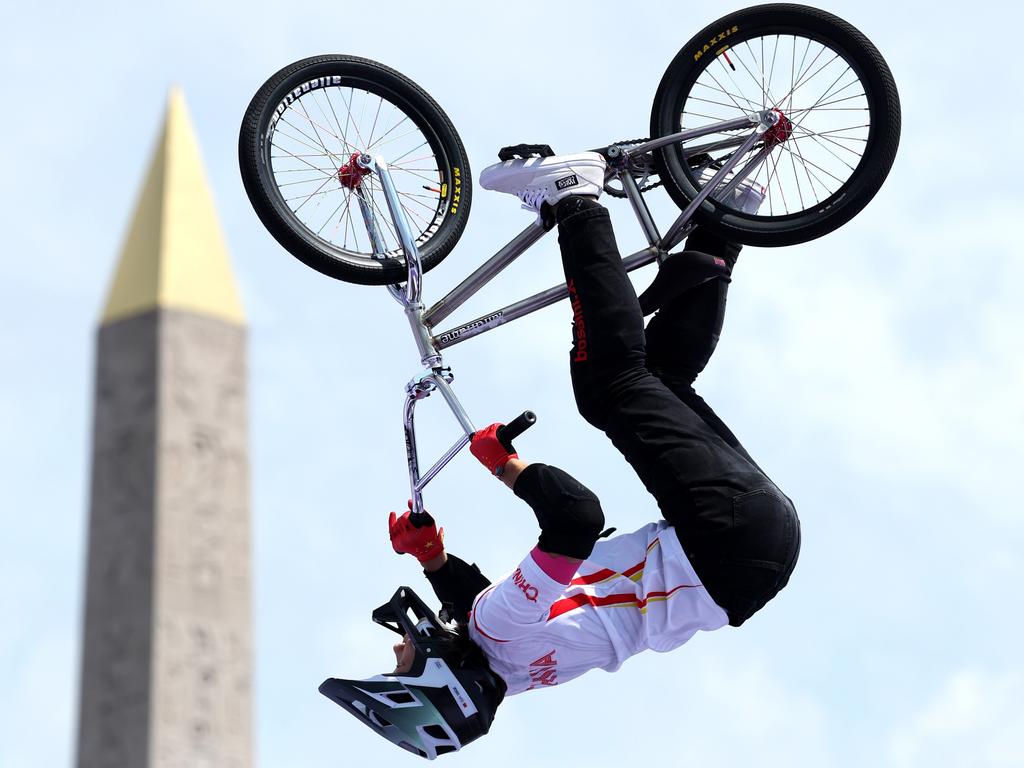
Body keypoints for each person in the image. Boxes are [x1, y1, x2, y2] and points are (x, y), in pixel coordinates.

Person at [320, 152, 801, 759]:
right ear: (435, 682)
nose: (397, 652)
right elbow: (576, 519)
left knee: (662, 377)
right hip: (720, 539)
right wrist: (506, 467)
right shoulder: (498, 632)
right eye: (400, 668)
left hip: (748, 559)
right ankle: (575, 199)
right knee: (610, 384)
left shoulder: (513, 671)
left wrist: (434, 559)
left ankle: (730, 211)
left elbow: (487, 612)